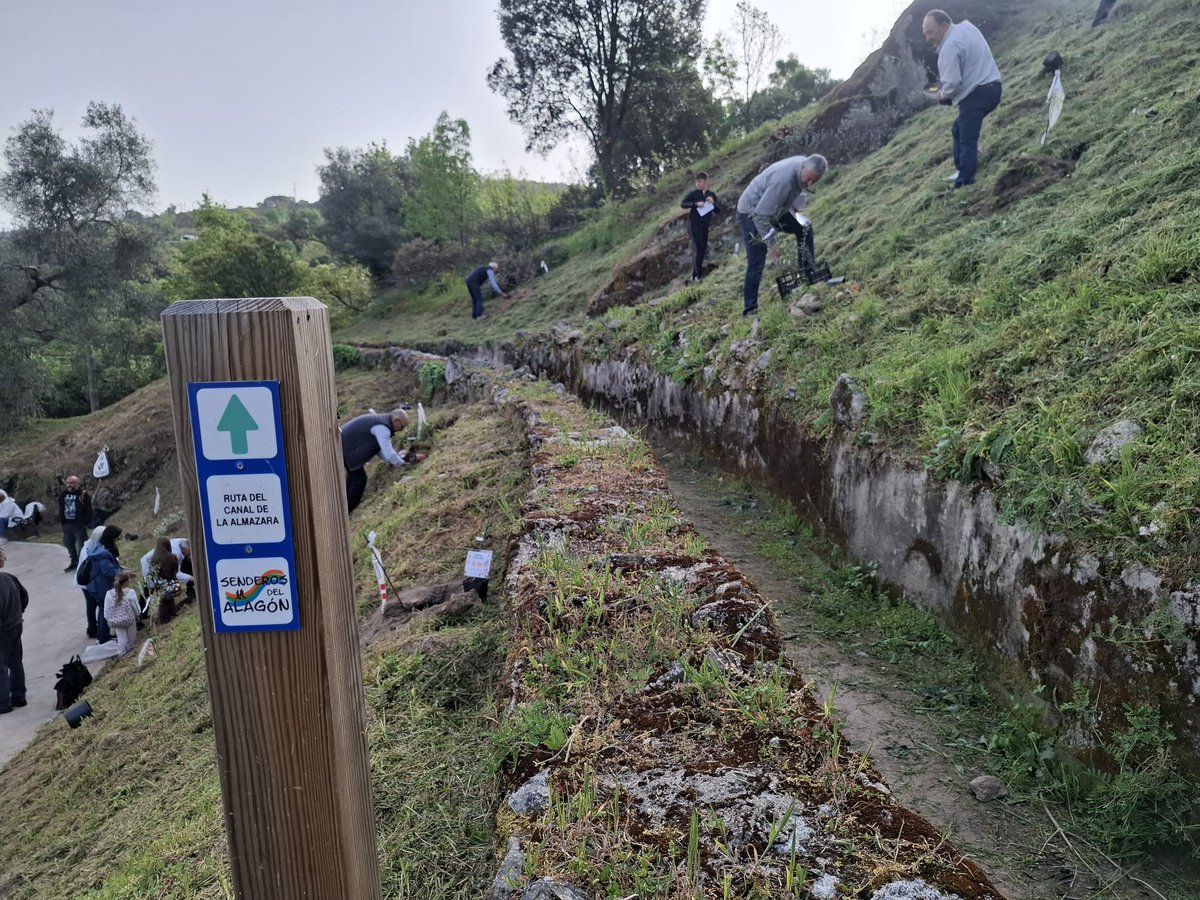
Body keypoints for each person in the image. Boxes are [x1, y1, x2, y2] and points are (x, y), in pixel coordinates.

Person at [736, 154, 829, 317]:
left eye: (813, 181)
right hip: (751, 211)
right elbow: (760, 214)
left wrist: (796, 207)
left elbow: (794, 192)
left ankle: (807, 273)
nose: (809, 183)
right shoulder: (783, 181)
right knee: (756, 261)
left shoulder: (804, 167)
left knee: (804, 227)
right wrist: (771, 243)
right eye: (808, 179)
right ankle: (749, 309)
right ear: (803, 167)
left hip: (775, 207)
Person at [923, 9, 1002, 188]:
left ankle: (965, 181)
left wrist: (941, 95)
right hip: (994, 86)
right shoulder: (968, 27)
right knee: (958, 128)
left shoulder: (948, 47)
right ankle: (962, 170)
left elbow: (951, 84)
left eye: (930, 31)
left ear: (944, 25)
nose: (928, 38)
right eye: (925, 33)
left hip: (976, 95)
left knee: (967, 138)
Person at [340, 408, 411, 514]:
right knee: (359, 479)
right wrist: (402, 464)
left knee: (354, 476)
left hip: (343, 444)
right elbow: (389, 453)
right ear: (396, 421)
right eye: (402, 426)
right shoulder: (383, 428)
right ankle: (347, 510)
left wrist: (395, 461)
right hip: (346, 448)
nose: (402, 430)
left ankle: (344, 505)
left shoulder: (380, 421)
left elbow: (379, 450)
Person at [82, 525, 122, 643]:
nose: (117, 540)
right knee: (105, 609)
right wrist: (122, 573)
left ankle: (102, 634)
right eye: (116, 538)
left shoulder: (97, 549)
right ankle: (103, 636)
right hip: (102, 586)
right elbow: (108, 571)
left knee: (103, 608)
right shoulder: (103, 553)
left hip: (95, 584)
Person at [0, 545, 28, 714]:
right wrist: (19, 613)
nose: (5, 558)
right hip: (16, 625)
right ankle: (19, 696)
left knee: (1, 667)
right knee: (16, 662)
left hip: (3, 631)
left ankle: (3, 703)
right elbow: (24, 597)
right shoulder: (9, 578)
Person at [680, 172, 721, 281]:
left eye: (700, 181)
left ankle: (696, 274)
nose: (697, 184)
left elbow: (718, 210)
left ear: (706, 181)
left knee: (702, 248)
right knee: (697, 247)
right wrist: (695, 204)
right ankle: (698, 274)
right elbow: (683, 204)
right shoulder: (693, 194)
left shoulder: (711, 194)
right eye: (696, 182)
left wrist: (713, 203)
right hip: (694, 224)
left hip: (705, 226)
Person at [144, 537, 183, 624]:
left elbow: (153, 573)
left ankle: (164, 618)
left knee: (162, 602)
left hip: (159, 584)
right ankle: (173, 613)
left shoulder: (153, 559)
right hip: (170, 581)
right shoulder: (172, 557)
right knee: (170, 599)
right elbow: (175, 570)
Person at [58, 475, 93, 572]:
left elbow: (89, 510)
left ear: (77, 483)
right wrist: (62, 521)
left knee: (82, 544)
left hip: (78, 524)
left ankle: (82, 562)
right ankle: (74, 561)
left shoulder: (83, 494)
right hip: (67, 524)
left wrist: (85, 522)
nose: (69, 485)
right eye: (68, 482)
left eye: (71, 483)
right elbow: (61, 507)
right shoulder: (63, 494)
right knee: (69, 544)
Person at [103, 569, 140, 656]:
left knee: (121, 636)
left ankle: (121, 651)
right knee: (131, 634)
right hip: (129, 618)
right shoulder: (130, 592)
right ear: (127, 582)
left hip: (116, 620)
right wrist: (138, 614)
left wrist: (108, 618)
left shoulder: (109, 594)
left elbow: (106, 609)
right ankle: (130, 647)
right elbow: (135, 607)